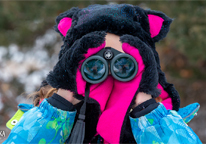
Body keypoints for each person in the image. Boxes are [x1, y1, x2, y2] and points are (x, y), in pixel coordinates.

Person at [3, 3, 202, 144]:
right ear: (72, 63)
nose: (108, 74)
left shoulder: (167, 123)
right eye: (94, 64)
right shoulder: (41, 118)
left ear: (145, 65)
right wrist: (62, 101)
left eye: (124, 64)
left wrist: (146, 108)